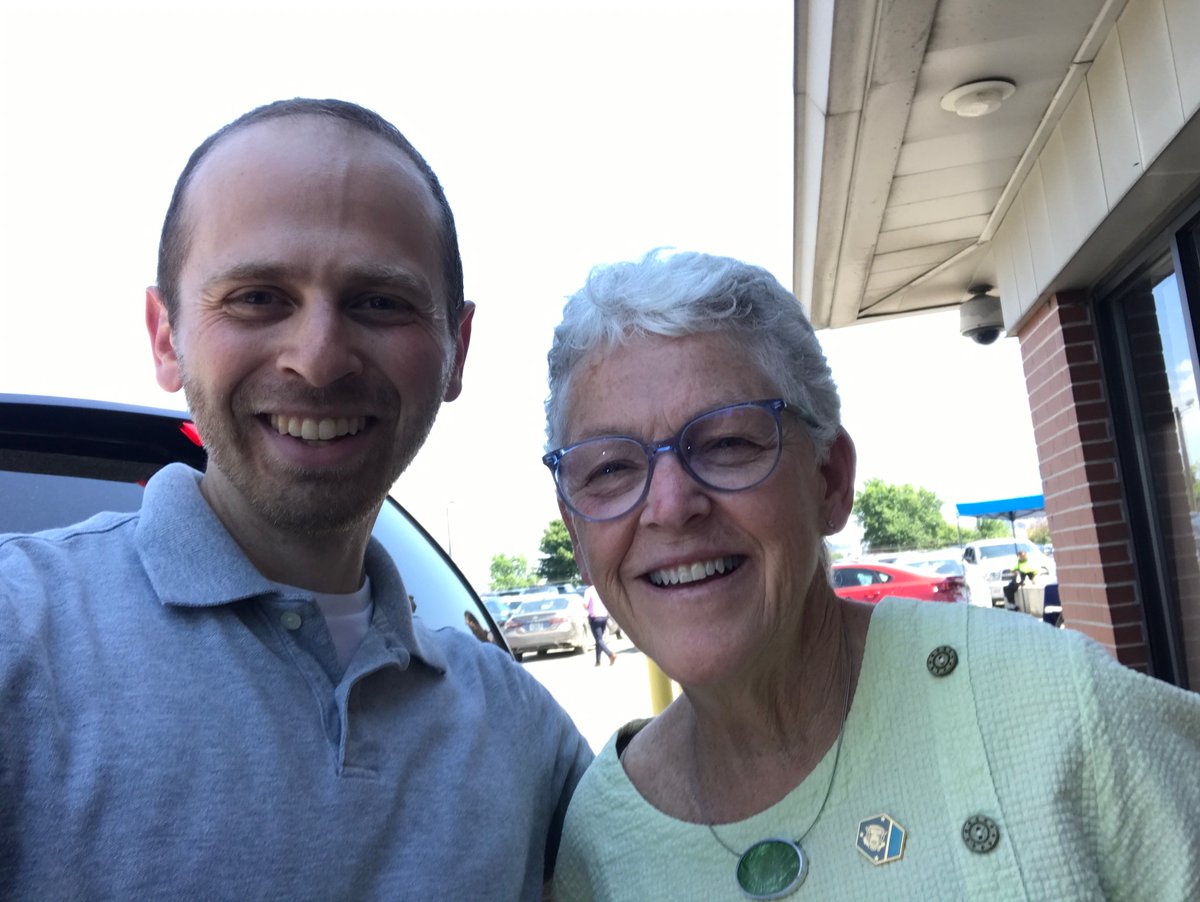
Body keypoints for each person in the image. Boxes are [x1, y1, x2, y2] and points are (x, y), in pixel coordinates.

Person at [0, 98, 592, 899]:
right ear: (166, 336)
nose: (317, 360)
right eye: (257, 297)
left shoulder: (522, 734)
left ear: (457, 349)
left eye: (378, 301)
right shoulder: (18, 639)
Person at [540, 250, 1200, 899]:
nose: (669, 505)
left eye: (727, 442)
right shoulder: (598, 844)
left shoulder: (1053, 705)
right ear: (576, 531)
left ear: (830, 480)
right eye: (610, 468)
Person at [584, 584, 618, 666]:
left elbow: (585, 605)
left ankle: (610, 654)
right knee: (599, 640)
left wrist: (587, 608)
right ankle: (598, 661)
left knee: (599, 639)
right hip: (604, 616)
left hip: (595, 618)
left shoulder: (589, 590)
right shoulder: (601, 588)